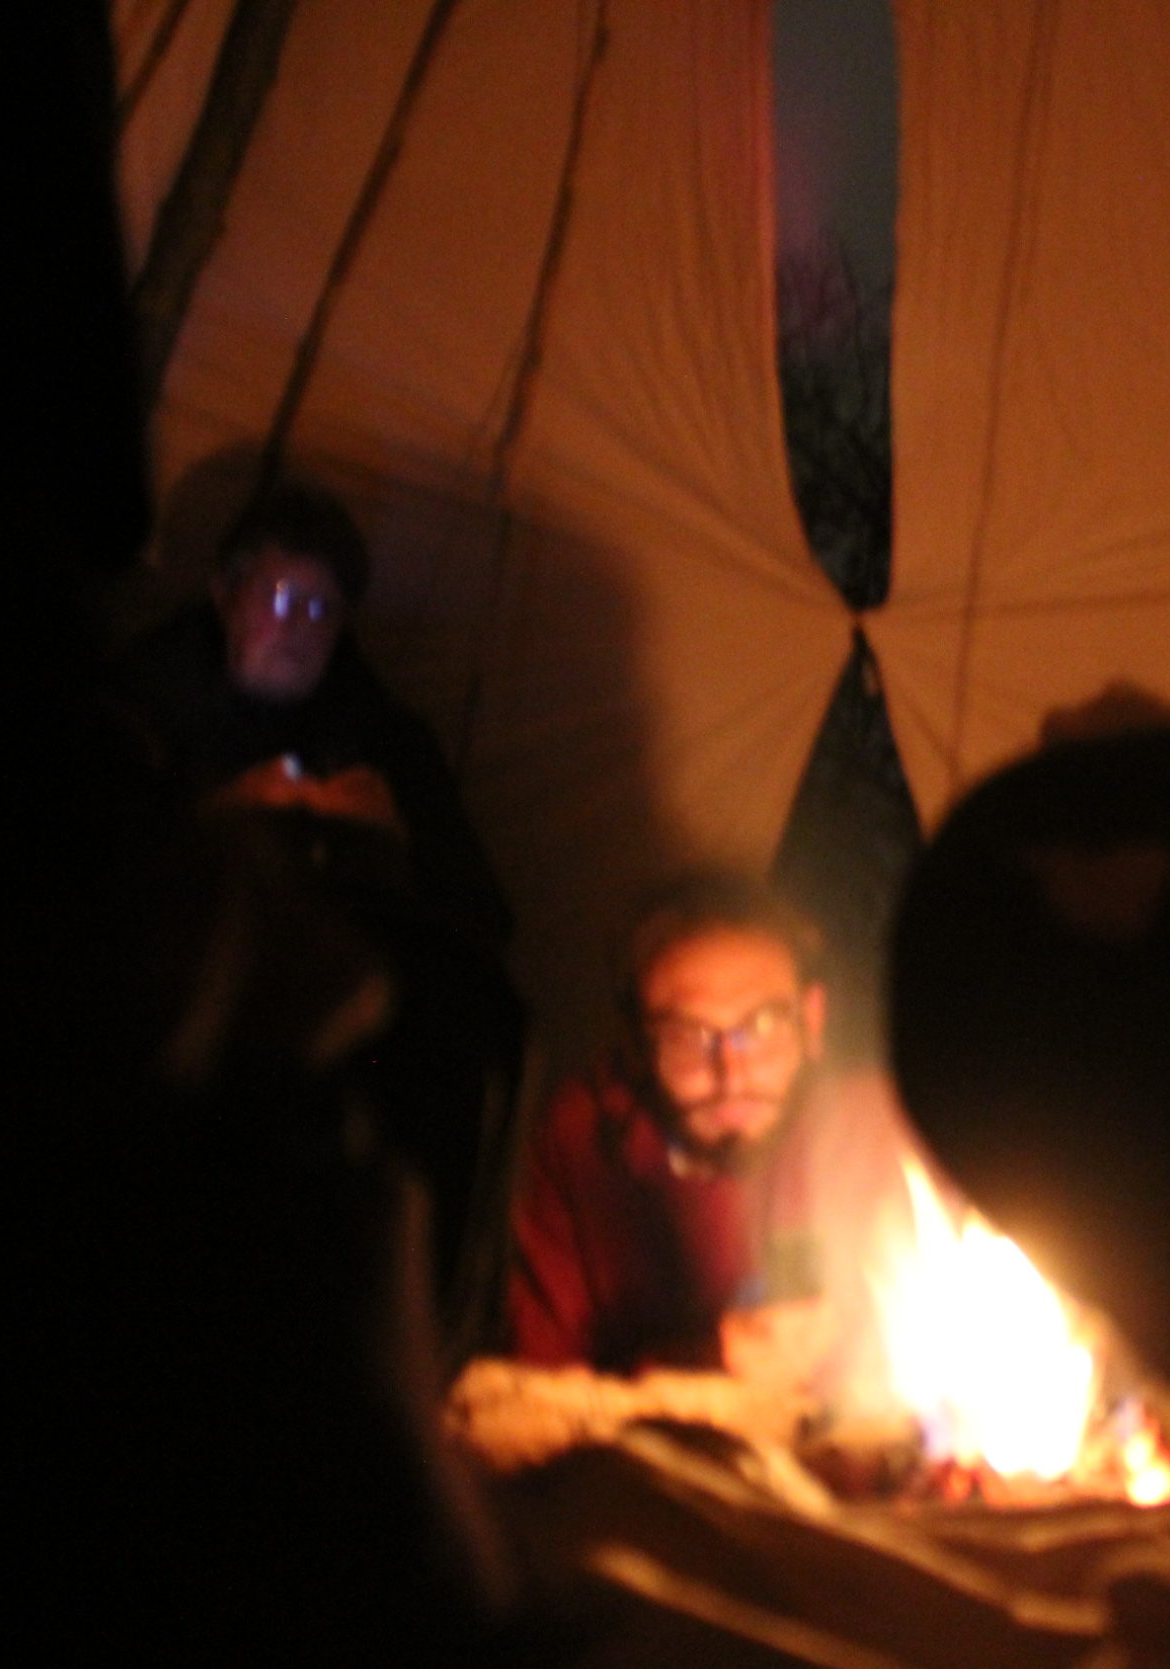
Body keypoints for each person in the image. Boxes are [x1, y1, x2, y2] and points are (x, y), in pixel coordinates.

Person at [112, 479, 524, 1326]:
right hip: (163, 1030)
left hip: (338, 1052)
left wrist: (384, 844)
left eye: (326, 613)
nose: (302, 631)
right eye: (285, 599)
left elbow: (483, 915)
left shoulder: (380, 736)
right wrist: (219, 823)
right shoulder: (140, 708)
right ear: (225, 594)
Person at [503, 874, 933, 1405]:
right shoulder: (580, 1141)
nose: (731, 1072)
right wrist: (704, 1362)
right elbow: (535, 1394)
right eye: (687, 1037)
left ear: (813, 1022)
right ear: (635, 1049)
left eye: (764, 1025)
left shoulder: (875, 1127)